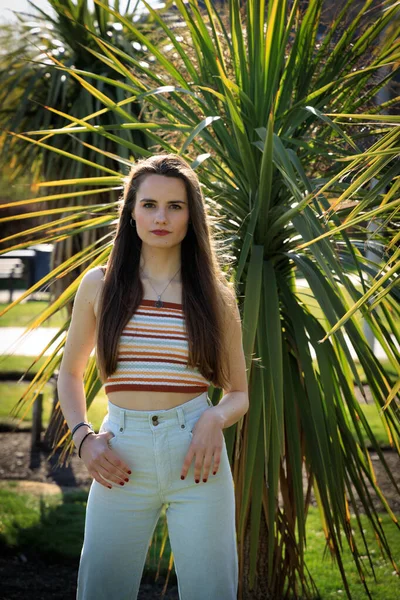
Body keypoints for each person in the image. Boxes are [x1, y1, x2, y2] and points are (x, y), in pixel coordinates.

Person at [57, 153, 249, 600]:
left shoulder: (215, 296)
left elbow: (238, 393)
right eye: (149, 205)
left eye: (175, 206)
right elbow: (70, 373)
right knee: (100, 591)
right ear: (130, 212)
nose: (160, 217)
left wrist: (213, 419)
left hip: (197, 458)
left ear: (190, 217)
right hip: (118, 455)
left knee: (211, 592)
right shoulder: (98, 285)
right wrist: (84, 438)